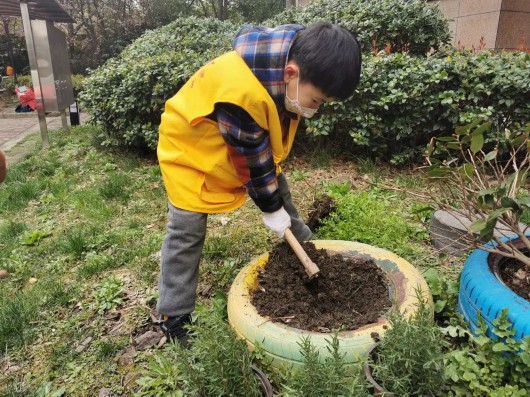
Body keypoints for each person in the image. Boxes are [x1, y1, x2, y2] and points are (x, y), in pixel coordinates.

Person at [156, 21, 362, 346]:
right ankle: (174, 314)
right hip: (190, 149)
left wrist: (276, 205)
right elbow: (254, 164)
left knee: (278, 188)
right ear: (291, 73)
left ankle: (304, 244)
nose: (316, 110)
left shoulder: (285, 63)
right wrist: (270, 208)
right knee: (187, 228)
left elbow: (265, 163)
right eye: (318, 101)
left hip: (230, 143)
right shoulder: (240, 94)